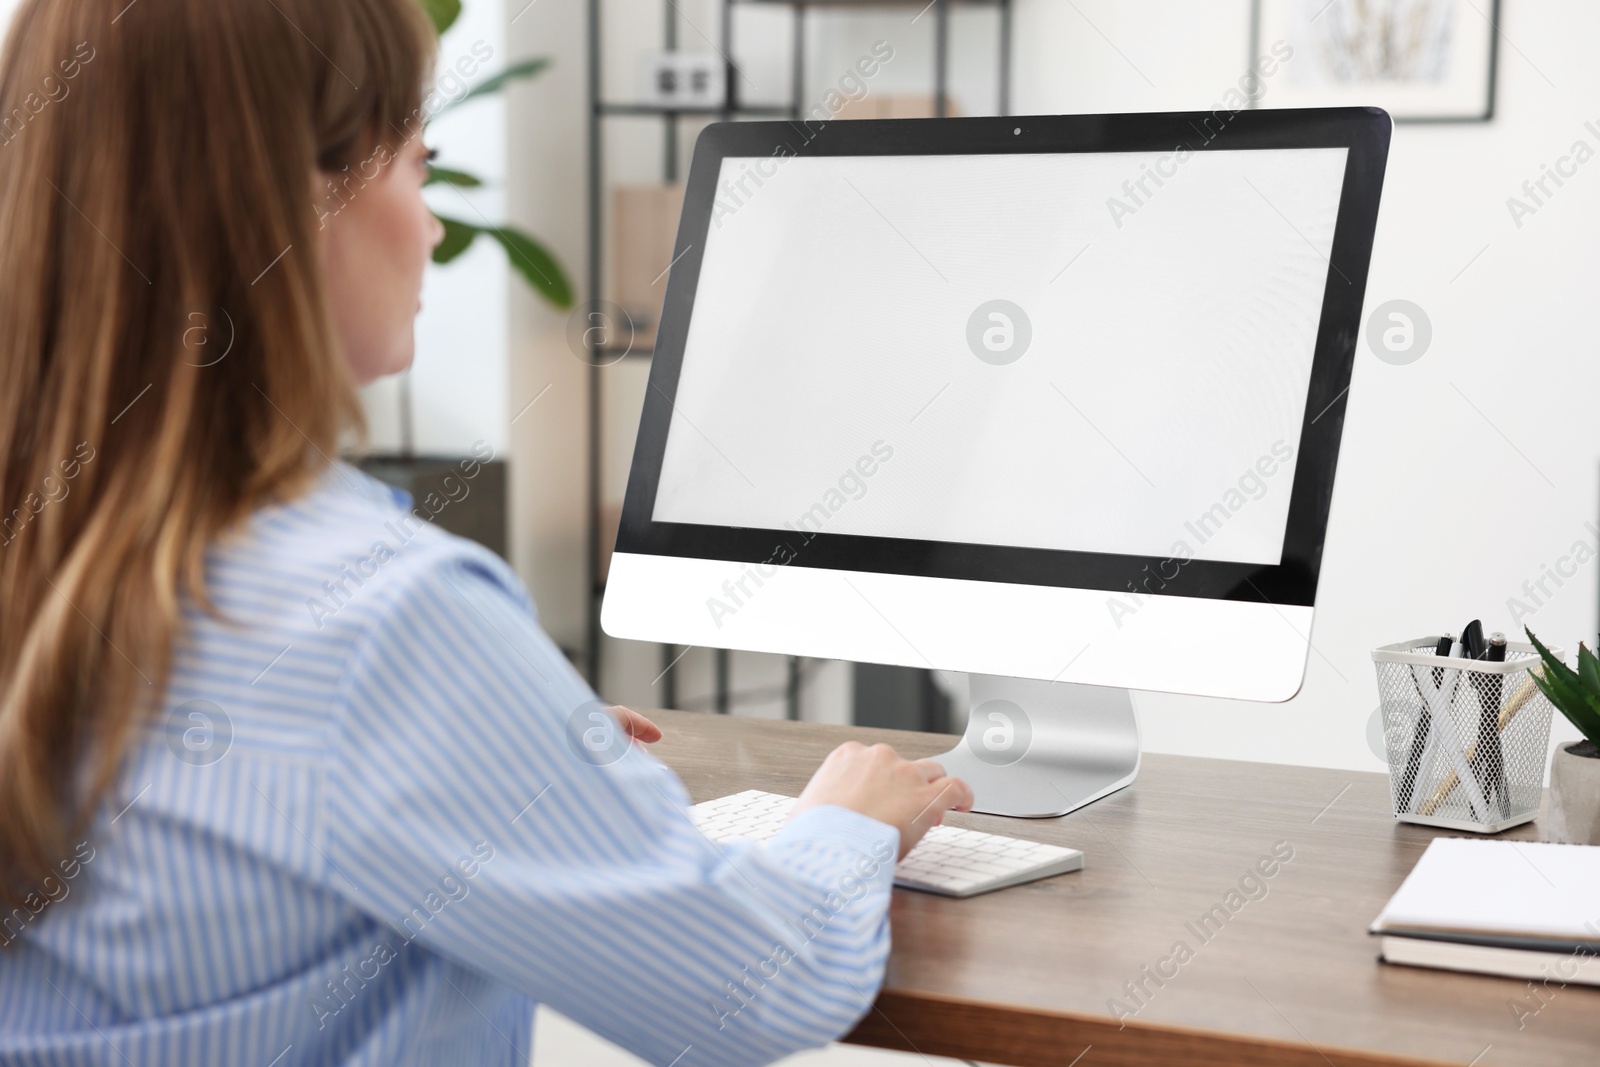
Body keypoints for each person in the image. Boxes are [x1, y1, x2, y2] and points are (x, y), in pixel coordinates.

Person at [0, 0, 973, 1064]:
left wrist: (489, 731)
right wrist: (849, 821)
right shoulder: (381, 615)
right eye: (417, 164)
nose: (433, 228)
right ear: (290, 204)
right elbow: (750, 987)